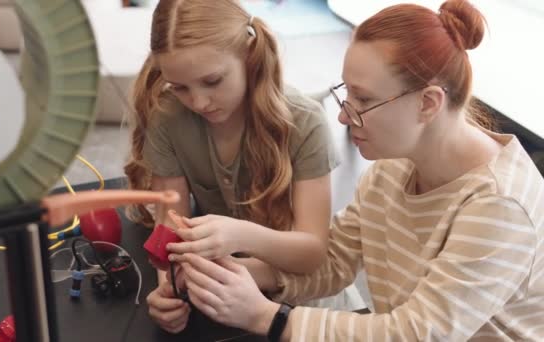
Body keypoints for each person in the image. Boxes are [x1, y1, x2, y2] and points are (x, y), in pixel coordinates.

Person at [173, 0, 544, 340]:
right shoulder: (394, 167)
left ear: (428, 103)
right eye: (346, 93)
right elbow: (336, 259)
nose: (342, 114)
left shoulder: (500, 206)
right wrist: (239, 277)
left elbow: (415, 333)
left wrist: (269, 317)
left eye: (363, 99)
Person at [123, 0, 341, 334]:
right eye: (179, 87)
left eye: (212, 81)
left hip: (295, 296)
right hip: (215, 286)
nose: (198, 102)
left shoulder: (305, 123)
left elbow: (312, 252)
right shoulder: (167, 119)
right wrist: (170, 289)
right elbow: (171, 226)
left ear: (249, 56)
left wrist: (239, 235)